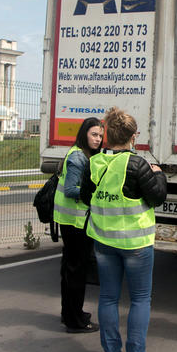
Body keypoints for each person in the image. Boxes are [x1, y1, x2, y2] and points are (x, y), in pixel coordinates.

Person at [80, 107, 167, 352]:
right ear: (133, 137)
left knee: (108, 298)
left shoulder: (94, 163)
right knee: (140, 300)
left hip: (105, 242)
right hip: (136, 244)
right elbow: (158, 197)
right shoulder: (138, 164)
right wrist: (159, 173)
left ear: (107, 135)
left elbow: (86, 197)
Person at [54, 117, 104, 333]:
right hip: (74, 222)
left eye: (101, 136)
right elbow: (71, 190)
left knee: (70, 269)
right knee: (76, 270)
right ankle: (75, 321)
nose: (98, 139)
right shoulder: (78, 157)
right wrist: (95, 194)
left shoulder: (83, 154)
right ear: (84, 134)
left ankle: (70, 313)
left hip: (73, 220)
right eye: (94, 134)